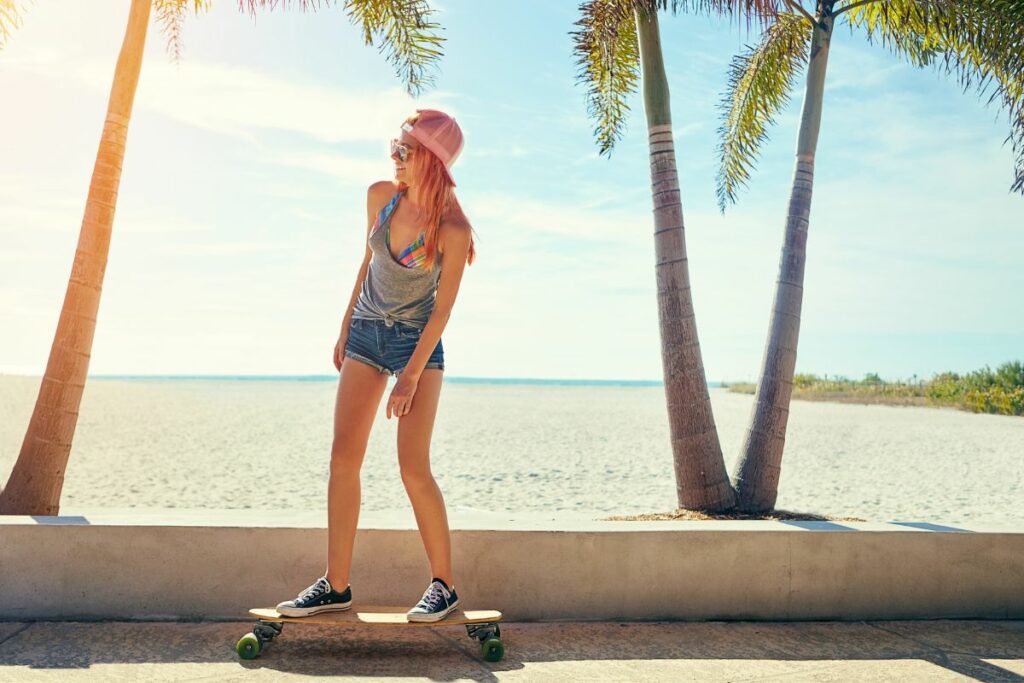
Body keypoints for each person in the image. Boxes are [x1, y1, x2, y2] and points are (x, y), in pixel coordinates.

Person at [275, 108, 476, 622]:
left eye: (404, 150)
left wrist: (409, 376)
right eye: (395, 146)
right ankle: (336, 585)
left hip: (417, 344)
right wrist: (345, 326)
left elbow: (444, 310)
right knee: (344, 458)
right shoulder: (380, 198)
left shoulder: (454, 228)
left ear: (430, 161)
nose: (394, 157)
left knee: (413, 468)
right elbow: (366, 263)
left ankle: (444, 586)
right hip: (367, 332)